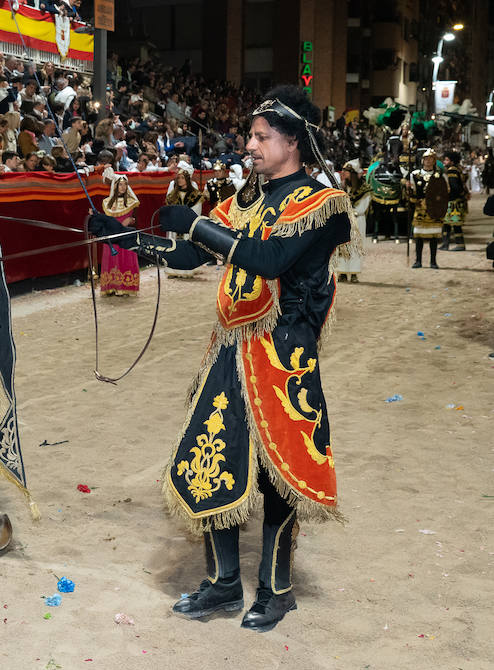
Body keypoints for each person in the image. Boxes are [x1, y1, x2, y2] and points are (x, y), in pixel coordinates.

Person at [88, 85, 354, 633]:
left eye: (261, 137)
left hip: (284, 358)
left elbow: (268, 258)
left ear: (292, 142)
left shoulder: (322, 204)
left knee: (277, 476)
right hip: (231, 350)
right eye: (250, 137)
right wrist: (122, 235)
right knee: (213, 458)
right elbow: (190, 253)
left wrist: (196, 222)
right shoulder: (244, 200)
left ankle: (277, 590)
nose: (249, 146)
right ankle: (224, 582)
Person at [98, 172, 140, 296]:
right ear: (115, 186)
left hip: (126, 236)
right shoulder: (107, 203)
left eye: (125, 184)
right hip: (112, 236)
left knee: (125, 259)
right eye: (120, 184)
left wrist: (130, 221)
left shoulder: (132, 202)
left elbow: (135, 220)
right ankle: (112, 286)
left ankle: (126, 287)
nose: (123, 187)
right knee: (112, 260)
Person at [405, 149, 444, 268]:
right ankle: (418, 261)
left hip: (434, 210)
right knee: (419, 236)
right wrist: (408, 189)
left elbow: (444, 192)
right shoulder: (415, 175)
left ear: (434, 160)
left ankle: (433, 261)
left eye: (431, 159)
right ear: (422, 160)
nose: (428, 161)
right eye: (426, 159)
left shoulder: (439, 175)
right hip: (420, 208)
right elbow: (411, 194)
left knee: (434, 236)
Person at [163, 166, 204, 278]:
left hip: (187, 226)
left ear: (187, 179)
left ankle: (186, 270)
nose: (180, 180)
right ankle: (173, 270)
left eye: (182, 178)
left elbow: (196, 212)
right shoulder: (172, 195)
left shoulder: (195, 195)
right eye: (178, 178)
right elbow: (169, 210)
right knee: (174, 246)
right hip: (175, 227)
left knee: (186, 247)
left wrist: (185, 219)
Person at [335, 160, 370, 283]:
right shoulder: (342, 187)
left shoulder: (364, 189)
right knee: (343, 245)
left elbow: (363, 207)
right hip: (344, 220)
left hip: (357, 220)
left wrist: (351, 212)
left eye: (346, 171)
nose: (343, 173)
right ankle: (343, 272)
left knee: (356, 245)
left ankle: (354, 272)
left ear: (353, 173)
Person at [439, 150, 468, 252]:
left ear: (452, 161)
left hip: (453, 202)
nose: (444, 162)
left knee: (455, 224)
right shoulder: (458, 169)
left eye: (447, 160)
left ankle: (460, 244)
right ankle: (445, 244)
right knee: (446, 223)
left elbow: (454, 186)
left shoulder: (451, 171)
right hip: (456, 200)